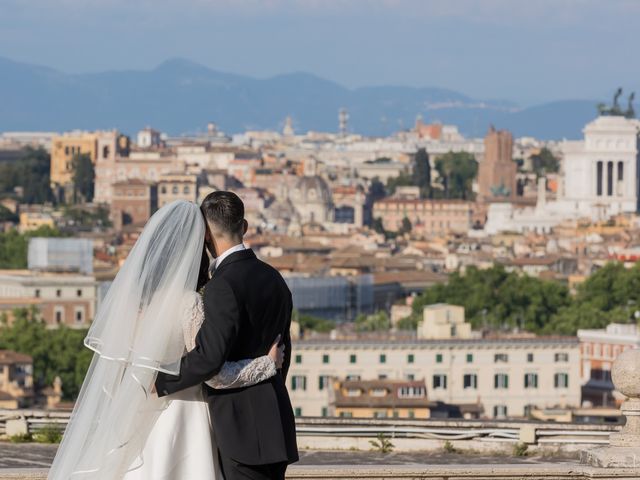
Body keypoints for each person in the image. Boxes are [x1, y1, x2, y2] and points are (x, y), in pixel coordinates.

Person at [49, 200, 288, 479]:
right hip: (188, 414)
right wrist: (267, 364)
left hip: (145, 414)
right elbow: (211, 370)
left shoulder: (139, 303)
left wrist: (153, 382)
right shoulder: (192, 302)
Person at [155, 191, 298, 480]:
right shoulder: (274, 277)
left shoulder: (223, 286)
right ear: (243, 227)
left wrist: (159, 379)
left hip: (240, 430)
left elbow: (209, 360)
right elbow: (284, 352)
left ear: (205, 236)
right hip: (276, 423)